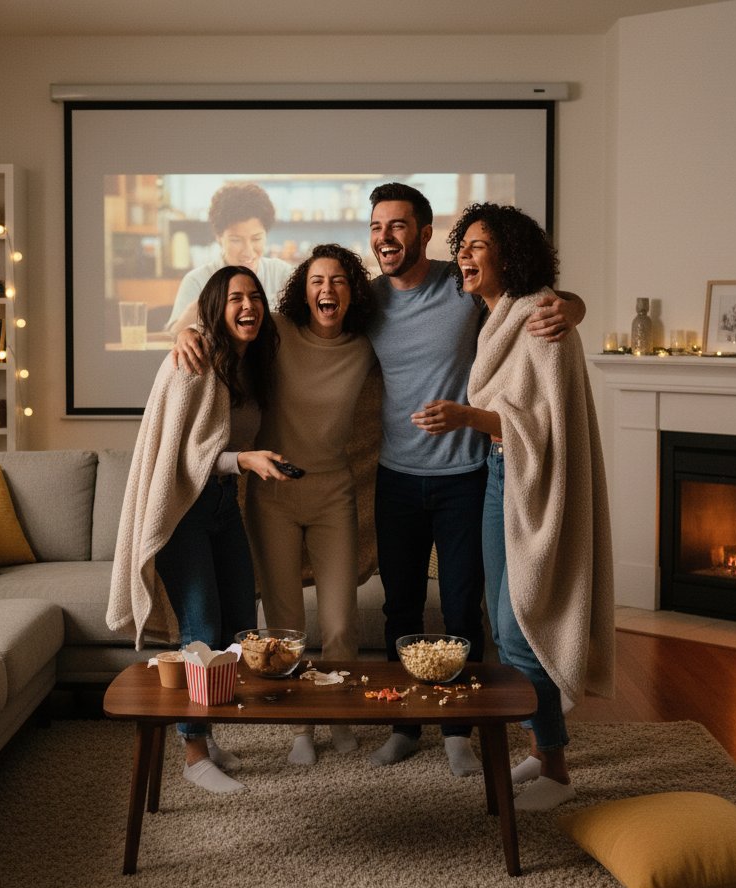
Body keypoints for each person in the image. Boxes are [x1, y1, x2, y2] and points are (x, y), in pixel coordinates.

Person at [364, 182, 587, 777]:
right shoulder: (367, 301)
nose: (386, 238)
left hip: (470, 475)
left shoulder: (460, 288)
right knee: (402, 610)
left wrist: (573, 307)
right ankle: (406, 724)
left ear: (424, 232)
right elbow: (302, 330)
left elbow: (541, 300)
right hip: (396, 478)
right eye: (377, 227)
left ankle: (461, 732)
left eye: (398, 226)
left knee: (467, 612)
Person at [413, 201, 614, 810]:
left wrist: (466, 417)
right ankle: (541, 749)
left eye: (477, 246)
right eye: (462, 247)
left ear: (510, 254)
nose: (464, 257)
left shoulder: (540, 318)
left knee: (523, 622)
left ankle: (556, 769)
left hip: (531, 477)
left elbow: (548, 426)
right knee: (503, 626)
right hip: (501, 477)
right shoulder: (494, 316)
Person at [173, 244, 382, 766]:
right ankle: (301, 728)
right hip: (272, 498)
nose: (326, 290)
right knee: (285, 625)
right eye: (316, 281)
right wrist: (184, 332)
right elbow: (218, 314)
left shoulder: (366, 346)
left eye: (337, 281)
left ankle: (338, 715)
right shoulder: (278, 332)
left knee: (338, 623)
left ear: (352, 290)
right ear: (301, 290)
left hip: (335, 495)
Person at [108, 265, 295, 794]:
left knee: (239, 622)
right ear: (214, 307)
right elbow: (178, 459)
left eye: (255, 297)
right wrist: (245, 460)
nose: (248, 307)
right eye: (235, 298)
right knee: (202, 626)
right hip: (179, 513)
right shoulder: (191, 363)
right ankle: (193, 751)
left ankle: (210, 736)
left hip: (221, 508)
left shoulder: (249, 364)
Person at [165, 182, 293, 334]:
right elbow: (172, 338)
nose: (248, 251)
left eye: (256, 239)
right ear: (219, 237)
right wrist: (187, 323)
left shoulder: (283, 275)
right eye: (236, 240)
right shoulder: (198, 281)